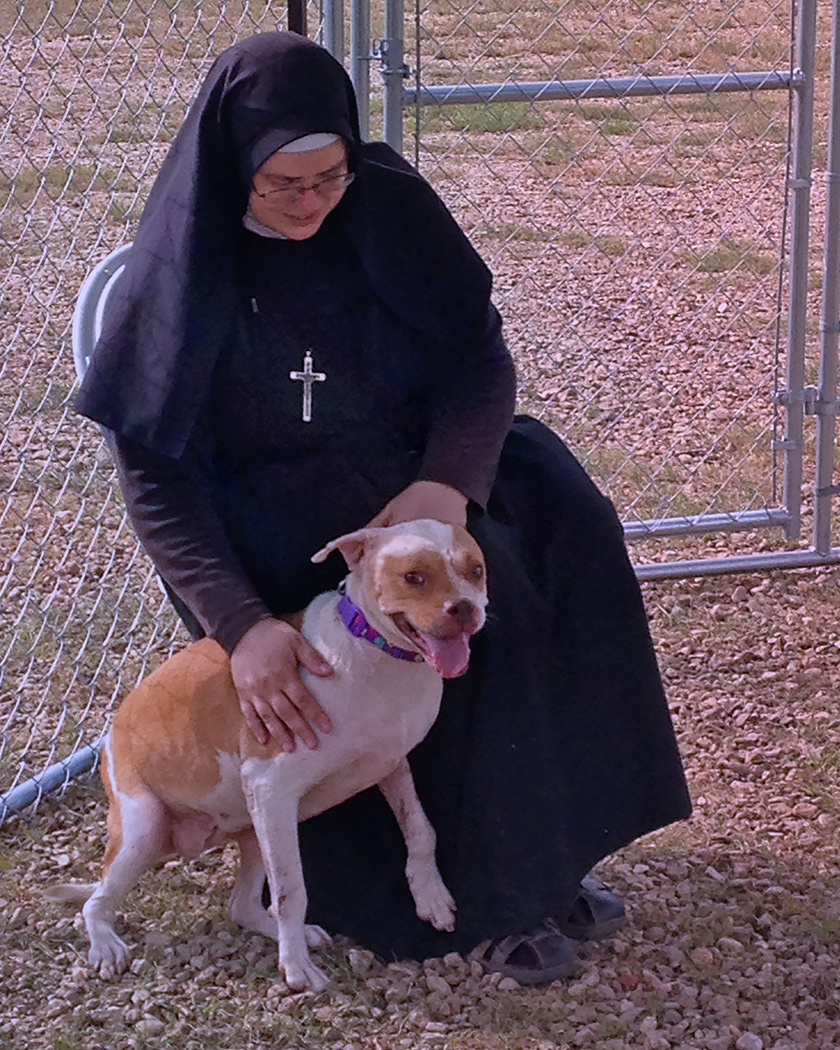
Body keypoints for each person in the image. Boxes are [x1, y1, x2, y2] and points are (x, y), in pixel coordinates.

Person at [75, 30, 691, 985]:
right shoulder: (180, 274)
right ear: (234, 167)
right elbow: (156, 478)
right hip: (279, 526)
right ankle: (474, 909)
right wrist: (241, 628)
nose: (314, 202)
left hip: (418, 478)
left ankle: (543, 860)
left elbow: (478, 360)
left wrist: (447, 485)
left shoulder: (388, 209)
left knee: (555, 542)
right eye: (284, 185)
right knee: (362, 644)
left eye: (332, 176)